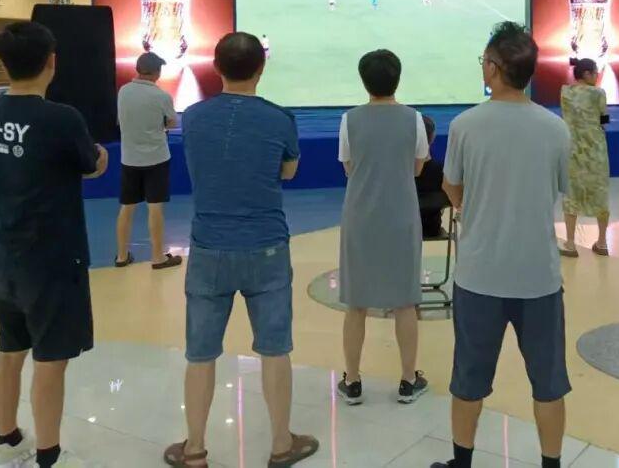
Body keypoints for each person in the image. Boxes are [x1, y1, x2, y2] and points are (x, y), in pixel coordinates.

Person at [165, 32, 318, 468]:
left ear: (217, 67)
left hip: (209, 246)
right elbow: (288, 172)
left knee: (200, 353)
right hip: (266, 246)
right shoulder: (279, 118)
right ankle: (281, 444)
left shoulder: (195, 117)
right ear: (261, 68)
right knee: (274, 348)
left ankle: (195, 448)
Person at [432, 22, 571, 468]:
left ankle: (462, 461)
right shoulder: (555, 128)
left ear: (493, 68)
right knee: (549, 383)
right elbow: (559, 187)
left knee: (468, 380)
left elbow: (452, 189)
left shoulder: (465, 125)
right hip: (538, 275)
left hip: (480, 274)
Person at [0, 21, 108, 468]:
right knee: (51, 360)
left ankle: (8, 440)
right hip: (53, 257)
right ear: (51, 62)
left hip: (7, 254)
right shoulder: (61, 118)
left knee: (9, 350)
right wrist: (100, 156)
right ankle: (49, 456)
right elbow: (91, 164)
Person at [336, 49, 430, 406]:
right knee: (405, 301)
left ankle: (353, 380)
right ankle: (408, 379)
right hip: (401, 215)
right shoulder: (414, 119)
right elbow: (417, 167)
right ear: (397, 78)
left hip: (360, 216)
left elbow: (349, 167)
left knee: (356, 302)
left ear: (365, 81)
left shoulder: (349, 120)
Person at [114, 51, 181, 269]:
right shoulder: (162, 96)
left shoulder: (123, 91)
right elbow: (172, 123)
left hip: (129, 158)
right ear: (156, 72)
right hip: (156, 158)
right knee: (155, 208)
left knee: (127, 207)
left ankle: (121, 256)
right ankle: (158, 257)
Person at [559, 58, 611, 257]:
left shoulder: (565, 92)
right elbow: (604, 119)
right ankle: (602, 242)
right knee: (600, 193)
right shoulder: (599, 93)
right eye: (595, 72)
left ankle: (570, 243)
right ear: (587, 73)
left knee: (571, 194)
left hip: (573, 149)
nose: (597, 75)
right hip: (595, 150)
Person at [416, 115, 450, 239]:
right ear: (433, 137)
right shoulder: (444, 171)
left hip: (404, 228)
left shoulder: (401, 173)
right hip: (432, 228)